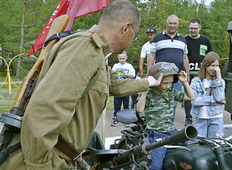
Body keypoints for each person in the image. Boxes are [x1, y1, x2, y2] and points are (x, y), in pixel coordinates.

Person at [0, 1, 164, 169]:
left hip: (58, 157)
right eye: (134, 36)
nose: (132, 41)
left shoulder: (97, 54)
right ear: (125, 29)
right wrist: (39, 165)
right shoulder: (85, 48)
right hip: (40, 160)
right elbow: (45, 110)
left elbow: (115, 85)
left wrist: (149, 83)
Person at [136, 62, 195, 170]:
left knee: (191, 150)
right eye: (164, 83)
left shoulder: (171, 92)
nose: (168, 86)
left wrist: (184, 82)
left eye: (170, 83)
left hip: (171, 131)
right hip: (156, 133)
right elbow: (139, 109)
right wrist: (145, 89)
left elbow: (191, 97)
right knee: (156, 166)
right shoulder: (149, 93)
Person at [146, 14, 189, 118]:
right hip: (161, 77)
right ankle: (157, 125)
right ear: (166, 24)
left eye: (174, 23)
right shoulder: (158, 38)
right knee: (158, 101)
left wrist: (187, 74)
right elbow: (152, 55)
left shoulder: (183, 40)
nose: (172, 25)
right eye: (170, 23)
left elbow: (185, 58)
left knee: (173, 103)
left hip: (176, 77)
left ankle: (169, 126)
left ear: (178, 25)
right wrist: (149, 73)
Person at [184, 18, 213, 126]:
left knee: (203, 96)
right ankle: (188, 118)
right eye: (191, 28)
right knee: (189, 96)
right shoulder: (184, 40)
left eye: (195, 28)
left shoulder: (206, 40)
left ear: (199, 28)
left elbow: (211, 57)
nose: (193, 31)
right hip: (188, 74)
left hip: (202, 74)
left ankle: (202, 118)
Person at [190, 52, 225, 138]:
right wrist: (213, 100)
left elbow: (220, 97)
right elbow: (194, 101)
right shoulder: (195, 81)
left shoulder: (220, 82)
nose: (215, 69)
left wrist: (219, 77)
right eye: (212, 65)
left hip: (216, 118)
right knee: (199, 145)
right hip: (200, 118)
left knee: (215, 144)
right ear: (205, 65)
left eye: (217, 66)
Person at [111, 51, 135, 126]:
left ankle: (126, 120)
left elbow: (133, 76)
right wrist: (115, 71)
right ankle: (116, 119)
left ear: (126, 58)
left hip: (126, 88)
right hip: (118, 87)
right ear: (118, 58)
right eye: (120, 58)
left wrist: (127, 74)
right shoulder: (115, 66)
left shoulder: (129, 66)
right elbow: (111, 75)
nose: (121, 60)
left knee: (126, 104)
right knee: (117, 104)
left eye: (123, 58)